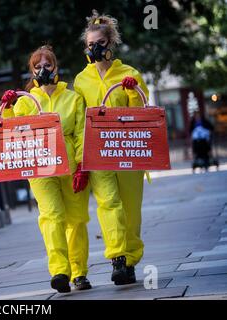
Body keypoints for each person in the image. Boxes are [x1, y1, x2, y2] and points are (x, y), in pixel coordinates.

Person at [0, 45, 91, 292]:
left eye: (47, 65)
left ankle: (79, 272)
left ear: (56, 67)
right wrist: (8, 107)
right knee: (51, 217)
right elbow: (10, 133)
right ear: (32, 72)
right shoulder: (26, 102)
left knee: (76, 220)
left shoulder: (73, 99)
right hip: (40, 170)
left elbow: (82, 133)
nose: (43, 70)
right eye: (37, 66)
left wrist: (82, 166)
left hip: (70, 168)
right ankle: (60, 271)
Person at [73, 10, 149, 285]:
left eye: (99, 43)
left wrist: (131, 91)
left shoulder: (130, 74)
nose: (95, 49)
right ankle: (117, 258)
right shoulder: (81, 80)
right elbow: (80, 120)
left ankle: (130, 260)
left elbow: (141, 114)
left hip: (127, 151)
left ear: (110, 43)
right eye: (90, 45)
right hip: (99, 153)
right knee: (108, 204)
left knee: (130, 210)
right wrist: (81, 161)